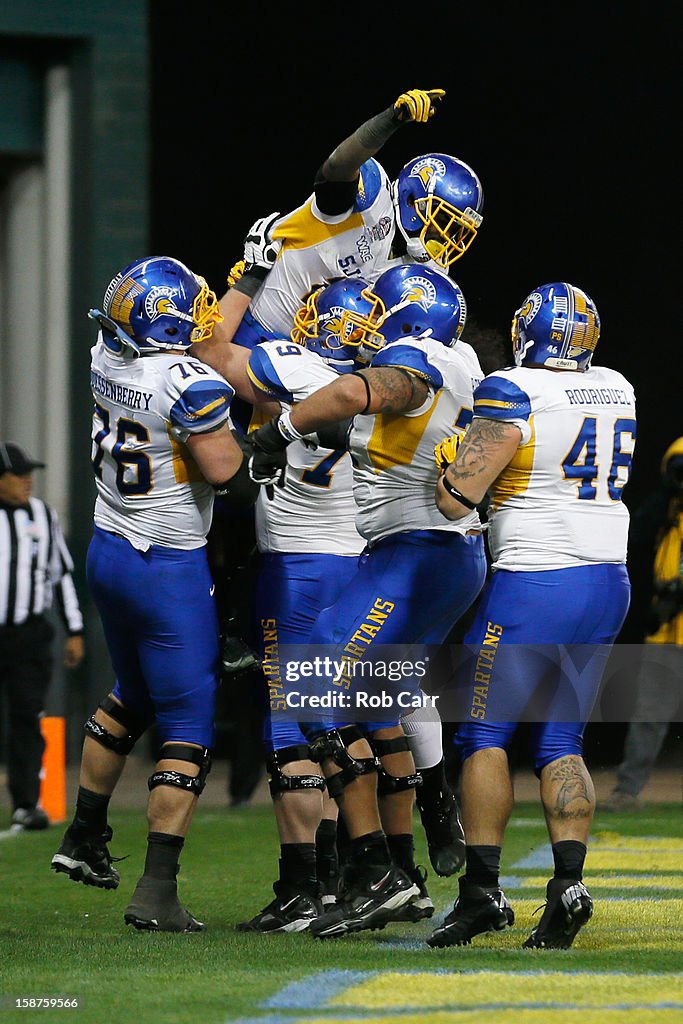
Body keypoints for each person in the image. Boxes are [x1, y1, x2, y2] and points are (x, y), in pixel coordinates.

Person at [198, 85, 484, 883]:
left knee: (317, 700)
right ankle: (410, 832)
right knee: (390, 684)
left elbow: (224, 359)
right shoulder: (360, 218)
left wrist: (284, 414)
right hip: (373, 528)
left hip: (322, 520)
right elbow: (334, 171)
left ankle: (344, 871)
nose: (440, 242)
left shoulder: (347, 350)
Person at [247, 263, 487, 938]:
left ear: (407, 320)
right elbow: (383, 430)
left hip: (418, 555)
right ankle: (396, 866)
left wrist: (279, 430)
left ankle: (375, 870)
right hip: (430, 556)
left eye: (379, 312)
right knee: (370, 699)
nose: (367, 326)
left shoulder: (415, 360)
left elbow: (364, 390)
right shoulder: (459, 364)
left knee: (310, 676)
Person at [426, 281, 636, 951]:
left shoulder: (512, 388)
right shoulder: (616, 385)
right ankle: (565, 884)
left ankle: (480, 892)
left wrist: (449, 465)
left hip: (535, 579)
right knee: (559, 740)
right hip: (607, 576)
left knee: (481, 734)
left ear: (525, 333)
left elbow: (456, 501)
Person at [50, 256, 257, 932]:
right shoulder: (188, 383)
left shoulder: (105, 356)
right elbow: (224, 469)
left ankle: (84, 836)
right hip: (165, 564)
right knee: (189, 725)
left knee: (131, 695)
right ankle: (157, 889)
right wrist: (276, 441)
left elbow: (189, 348)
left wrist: (245, 286)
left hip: (109, 550)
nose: (200, 321)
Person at [0, 442, 85, 830]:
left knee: (27, 718)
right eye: (19, 474)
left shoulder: (41, 514)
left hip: (30, 635)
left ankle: (26, 804)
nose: (27, 480)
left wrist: (74, 629)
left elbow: (60, 575)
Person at [600, 436, 683, 811]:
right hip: (666, 630)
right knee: (649, 713)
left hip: (672, 614)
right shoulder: (666, 512)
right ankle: (628, 790)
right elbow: (636, 537)